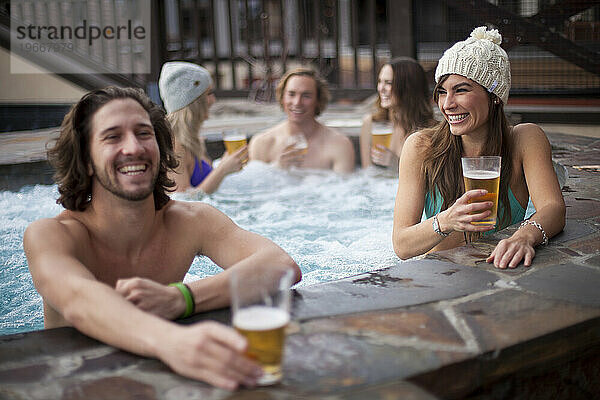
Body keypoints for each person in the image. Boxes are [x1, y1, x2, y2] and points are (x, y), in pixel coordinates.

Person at [23, 86, 301, 390]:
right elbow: (79, 299)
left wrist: (181, 298)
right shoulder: (52, 235)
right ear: (86, 159)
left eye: (144, 134)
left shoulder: (191, 221)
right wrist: (171, 341)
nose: (134, 147)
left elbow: (281, 265)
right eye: (112, 136)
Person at [392, 27, 565, 269]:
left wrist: (524, 236)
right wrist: (447, 220)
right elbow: (401, 245)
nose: (448, 104)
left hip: (495, 270)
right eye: (442, 92)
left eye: (460, 90)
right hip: (438, 275)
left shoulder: (525, 140)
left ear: (494, 95)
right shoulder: (421, 147)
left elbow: (553, 208)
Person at [158, 61, 247, 194]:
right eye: (209, 93)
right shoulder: (175, 146)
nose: (213, 100)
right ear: (194, 101)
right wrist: (222, 170)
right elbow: (182, 201)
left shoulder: (192, 140)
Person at [248, 67, 355, 173]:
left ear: (318, 100)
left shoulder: (339, 144)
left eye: (306, 96)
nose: (297, 102)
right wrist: (277, 169)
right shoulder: (262, 143)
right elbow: (256, 187)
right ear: (282, 97)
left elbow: (344, 187)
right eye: (291, 94)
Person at [359, 57, 435, 169]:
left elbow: (427, 180)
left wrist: (396, 164)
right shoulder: (371, 123)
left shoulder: (430, 131)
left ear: (409, 88)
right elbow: (368, 174)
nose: (381, 88)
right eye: (380, 81)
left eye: (388, 83)